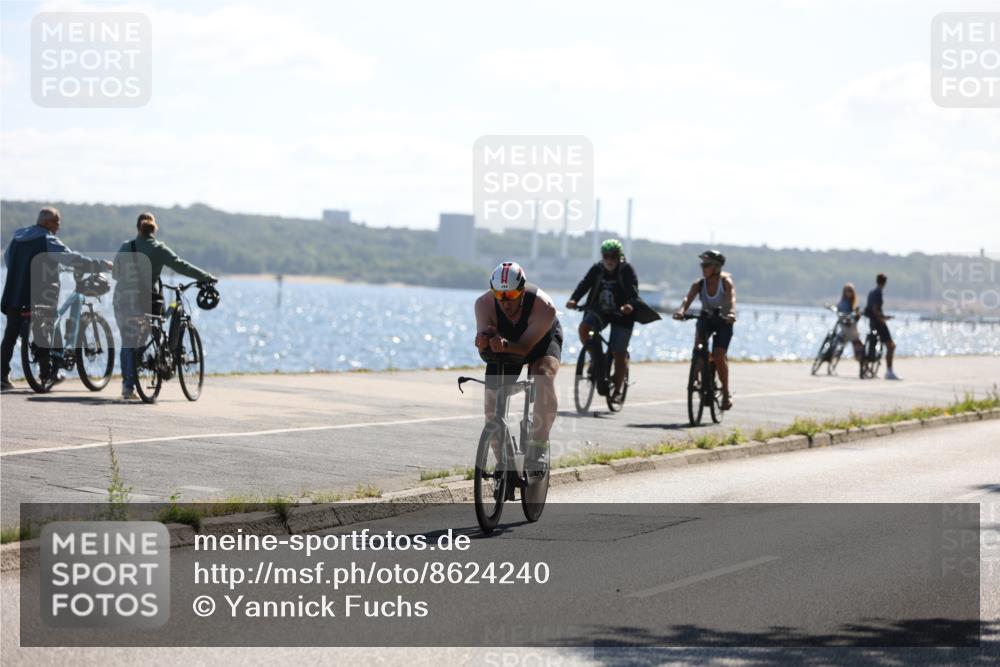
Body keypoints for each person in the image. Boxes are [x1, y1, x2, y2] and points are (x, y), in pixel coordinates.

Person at [1, 207, 111, 391]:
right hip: (40, 292)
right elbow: (70, 258)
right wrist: (99, 265)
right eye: (56, 222)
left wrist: (20, 273)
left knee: (11, 334)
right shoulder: (46, 239)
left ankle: (2, 376)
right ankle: (48, 374)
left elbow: (7, 258)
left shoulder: (18, 237)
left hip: (15, 291)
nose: (58, 226)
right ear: (46, 222)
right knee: (45, 329)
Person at [112, 212, 216, 400]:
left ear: (138, 228)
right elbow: (180, 265)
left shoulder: (126, 246)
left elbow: (115, 274)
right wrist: (205, 276)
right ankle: (158, 362)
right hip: (145, 299)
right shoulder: (158, 248)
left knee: (128, 342)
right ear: (154, 228)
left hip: (122, 299)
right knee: (151, 330)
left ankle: (128, 387)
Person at [474, 261, 561, 467]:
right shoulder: (483, 304)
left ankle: (538, 447)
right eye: (500, 296)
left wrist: (504, 343)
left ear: (521, 290)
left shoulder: (544, 307)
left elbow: (524, 349)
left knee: (543, 376)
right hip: (505, 342)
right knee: (491, 407)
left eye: (511, 296)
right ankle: (504, 465)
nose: (505, 303)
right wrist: (483, 342)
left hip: (541, 340)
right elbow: (484, 351)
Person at [566, 238, 658, 403]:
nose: (609, 260)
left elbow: (633, 292)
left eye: (613, 256)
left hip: (622, 314)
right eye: (606, 256)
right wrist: (574, 299)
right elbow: (584, 284)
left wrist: (629, 305)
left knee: (618, 353)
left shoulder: (626, 270)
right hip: (600, 310)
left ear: (619, 256)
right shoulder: (597, 269)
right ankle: (595, 358)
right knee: (584, 328)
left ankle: (616, 390)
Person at [672, 250, 736, 410]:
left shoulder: (726, 282)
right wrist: (681, 311)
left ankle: (726, 393)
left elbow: (732, 298)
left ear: (716, 267)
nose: (703, 268)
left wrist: (731, 313)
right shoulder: (699, 284)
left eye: (706, 265)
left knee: (719, 355)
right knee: (698, 348)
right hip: (706, 319)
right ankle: (698, 375)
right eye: (702, 264)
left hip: (723, 321)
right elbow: (688, 298)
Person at [864, 273, 899, 380]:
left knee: (872, 345)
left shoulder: (871, 292)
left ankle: (866, 366)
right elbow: (875, 309)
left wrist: (883, 316)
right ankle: (889, 371)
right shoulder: (878, 293)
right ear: (884, 282)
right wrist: (882, 319)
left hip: (872, 322)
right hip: (878, 323)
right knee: (891, 346)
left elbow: (870, 308)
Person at [837, 282, 863, 362]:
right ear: (844, 292)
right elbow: (844, 315)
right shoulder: (844, 303)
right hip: (847, 328)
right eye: (847, 291)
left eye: (851, 291)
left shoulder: (851, 303)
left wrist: (857, 314)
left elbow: (854, 316)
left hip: (850, 327)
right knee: (857, 342)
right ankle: (860, 358)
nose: (849, 292)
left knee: (856, 342)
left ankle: (861, 358)